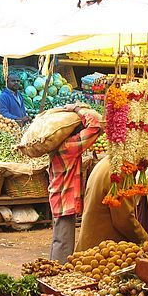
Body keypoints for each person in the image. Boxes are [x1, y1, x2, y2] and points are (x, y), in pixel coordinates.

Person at [49, 104, 101, 263]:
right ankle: (57, 275)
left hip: (61, 199)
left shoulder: (59, 147)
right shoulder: (68, 147)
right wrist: (77, 109)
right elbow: (95, 127)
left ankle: (53, 270)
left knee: (60, 239)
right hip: (64, 200)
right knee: (63, 243)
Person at [76, 155, 148, 252]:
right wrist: (145, 241)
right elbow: (124, 219)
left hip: (93, 243)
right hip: (102, 250)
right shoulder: (121, 170)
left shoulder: (107, 161)